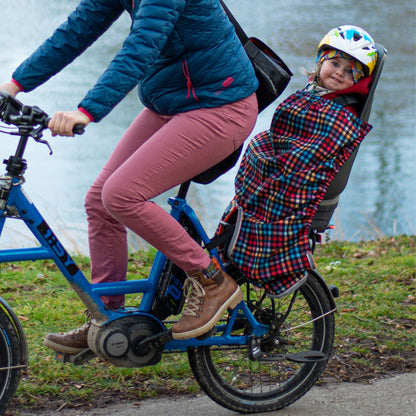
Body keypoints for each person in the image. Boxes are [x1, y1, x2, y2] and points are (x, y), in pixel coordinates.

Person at [0, 0, 259, 352]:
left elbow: (141, 48)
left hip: (220, 104)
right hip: (172, 100)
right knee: (100, 200)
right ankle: (107, 319)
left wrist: (86, 111)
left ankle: (211, 279)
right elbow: (76, 31)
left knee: (121, 194)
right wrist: (14, 85)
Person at [218, 25, 378, 297]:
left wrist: (275, 163)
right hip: (278, 161)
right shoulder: (312, 93)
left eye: (351, 70)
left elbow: (311, 153)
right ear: (320, 61)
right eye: (335, 62)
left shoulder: (341, 114)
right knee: (257, 144)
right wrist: (266, 149)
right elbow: (282, 132)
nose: (339, 72)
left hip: (295, 180)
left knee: (261, 157)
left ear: (360, 80)